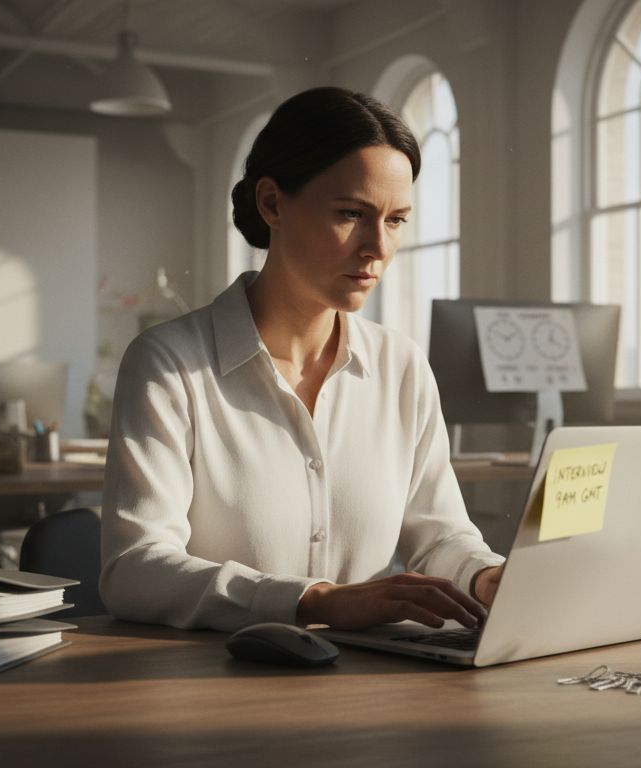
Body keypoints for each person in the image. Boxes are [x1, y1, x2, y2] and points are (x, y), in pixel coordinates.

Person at [99, 86, 505, 633]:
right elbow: (133, 568)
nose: (377, 249)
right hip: (209, 682)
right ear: (272, 204)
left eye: (395, 221)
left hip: (370, 683)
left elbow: (439, 536)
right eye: (351, 214)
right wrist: (312, 601)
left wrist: (485, 577)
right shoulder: (169, 364)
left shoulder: (401, 366)